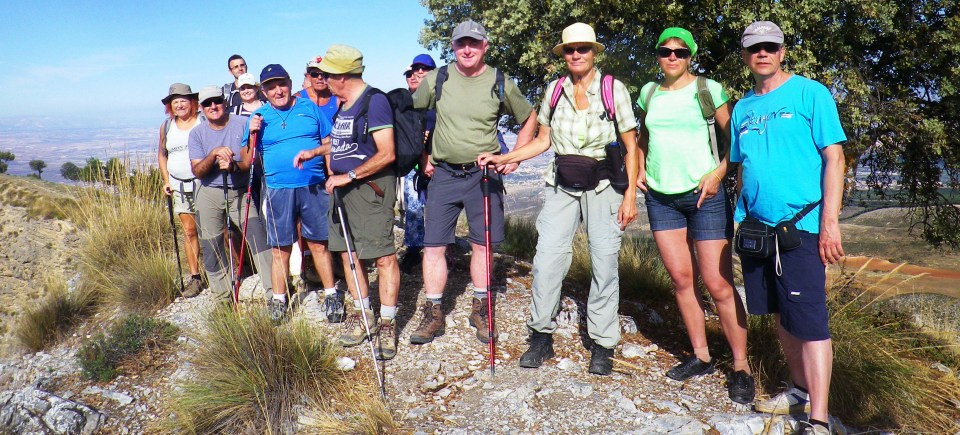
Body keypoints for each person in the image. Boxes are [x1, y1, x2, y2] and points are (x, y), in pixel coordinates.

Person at [479, 22, 638, 374]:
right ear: (563, 55)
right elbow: (543, 140)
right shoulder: (553, 90)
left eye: (583, 48)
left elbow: (631, 145)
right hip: (562, 184)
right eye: (570, 49)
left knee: (604, 263)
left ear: (594, 52)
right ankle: (540, 335)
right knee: (547, 260)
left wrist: (629, 196)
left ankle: (602, 342)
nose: (576, 54)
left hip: (604, 185)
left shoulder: (613, 90)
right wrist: (505, 158)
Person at [731, 21, 846, 435]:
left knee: (811, 322)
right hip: (758, 230)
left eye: (770, 46)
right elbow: (744, 165)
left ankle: (818, 419)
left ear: (781, 52)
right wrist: (740, 215)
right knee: (781, 315)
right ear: (745, 56)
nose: (762, 53)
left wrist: (830, 223)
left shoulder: (810, 93)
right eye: (754, 48)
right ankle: (798, 390)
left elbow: (834, 157)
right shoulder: (742, 107)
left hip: (803, 227)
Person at [636, 27, 754, 403]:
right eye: (665, 51)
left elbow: (736, 139)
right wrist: (638, 169)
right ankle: (701, 356)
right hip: (660, 196)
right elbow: (642, 137)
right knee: (682, 280)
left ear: (691, 56)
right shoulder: (648, 93)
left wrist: (719, 174)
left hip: (705, 196)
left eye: (680, 52)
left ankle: (740, 366)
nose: (672, 57)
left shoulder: (709, 89)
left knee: (718, 284)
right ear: (657, 55)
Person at [409, 19, 538, 345]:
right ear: (453, 46)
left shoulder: (499, 80)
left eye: (474, 43)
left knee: (483, 244)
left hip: (484, 174)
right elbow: (413, 115)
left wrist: (516, 155)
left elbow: (529, 117)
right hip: (444, 174)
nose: (467, 49)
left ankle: (481, 307)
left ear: (485, 46)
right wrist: (421, 156)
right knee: (434, 245)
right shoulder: (438, 78)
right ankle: (434, 311)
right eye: (461, 43)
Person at [295, 44, 401, 360]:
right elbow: (342, 141)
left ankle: (387, 323)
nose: (321, 78)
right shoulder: (344, 103)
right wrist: (315, 152)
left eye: (326, 73)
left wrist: (349, 175)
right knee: (348, 253)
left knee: (382, 257)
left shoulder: (375, 102)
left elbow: (387, 152)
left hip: (369, 190)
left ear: (341, 75)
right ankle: (363, 315)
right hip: (344, 189)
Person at [241, 64, 341, 323]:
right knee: (279, 249)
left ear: (289, 82)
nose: (278, 90)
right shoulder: (259, 118)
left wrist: (331, 175)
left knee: (319, 243)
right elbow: (245, 160)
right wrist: (252, 133)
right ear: (263, 91)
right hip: (278, 191)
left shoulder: (310, 109)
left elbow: (330, 142)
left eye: (281, 84)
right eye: (271, 87)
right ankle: (279, 300)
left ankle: (331, 294)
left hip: (314, 185)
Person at [188, 86, 273, 304]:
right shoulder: (197, 134)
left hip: (239, 191)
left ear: (225, 102)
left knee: (258, 237)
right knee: (212, 244)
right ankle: (222, 296)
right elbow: (197, 170)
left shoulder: (242, 124)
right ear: (201, 108)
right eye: (207, 104)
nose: (213, 107)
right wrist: (214, 154)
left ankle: (274, 292)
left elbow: (251, 161)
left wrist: (233, 166)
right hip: (208, 193)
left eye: (217, 101)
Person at [157, 83, 204, 297]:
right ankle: (195, 278)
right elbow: (162, 154)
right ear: (170, 106)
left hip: (205, 182)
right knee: (189, 231)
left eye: (183, 100)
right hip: (179, 184)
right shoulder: (167, 126)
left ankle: (224, 272)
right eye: (175, 101)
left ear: (192, 102)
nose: (179, 104)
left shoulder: (203, 121)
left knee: (217, 229)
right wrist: (166, 179)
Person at [398, 53, 437, 274]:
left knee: (437, 208)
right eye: (414, 71)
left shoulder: (441, 99)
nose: (418, 74)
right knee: (414, 208)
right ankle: (414, 250)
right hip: (414, 164)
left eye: (424, 69)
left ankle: (439, 249)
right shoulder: (407, 102)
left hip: (439, 161)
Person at [298, 56, 339, 120]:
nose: (319, 77)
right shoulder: (298, 99)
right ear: (309, 76)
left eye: (324, 74)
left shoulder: (338, 99)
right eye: (314, 74)